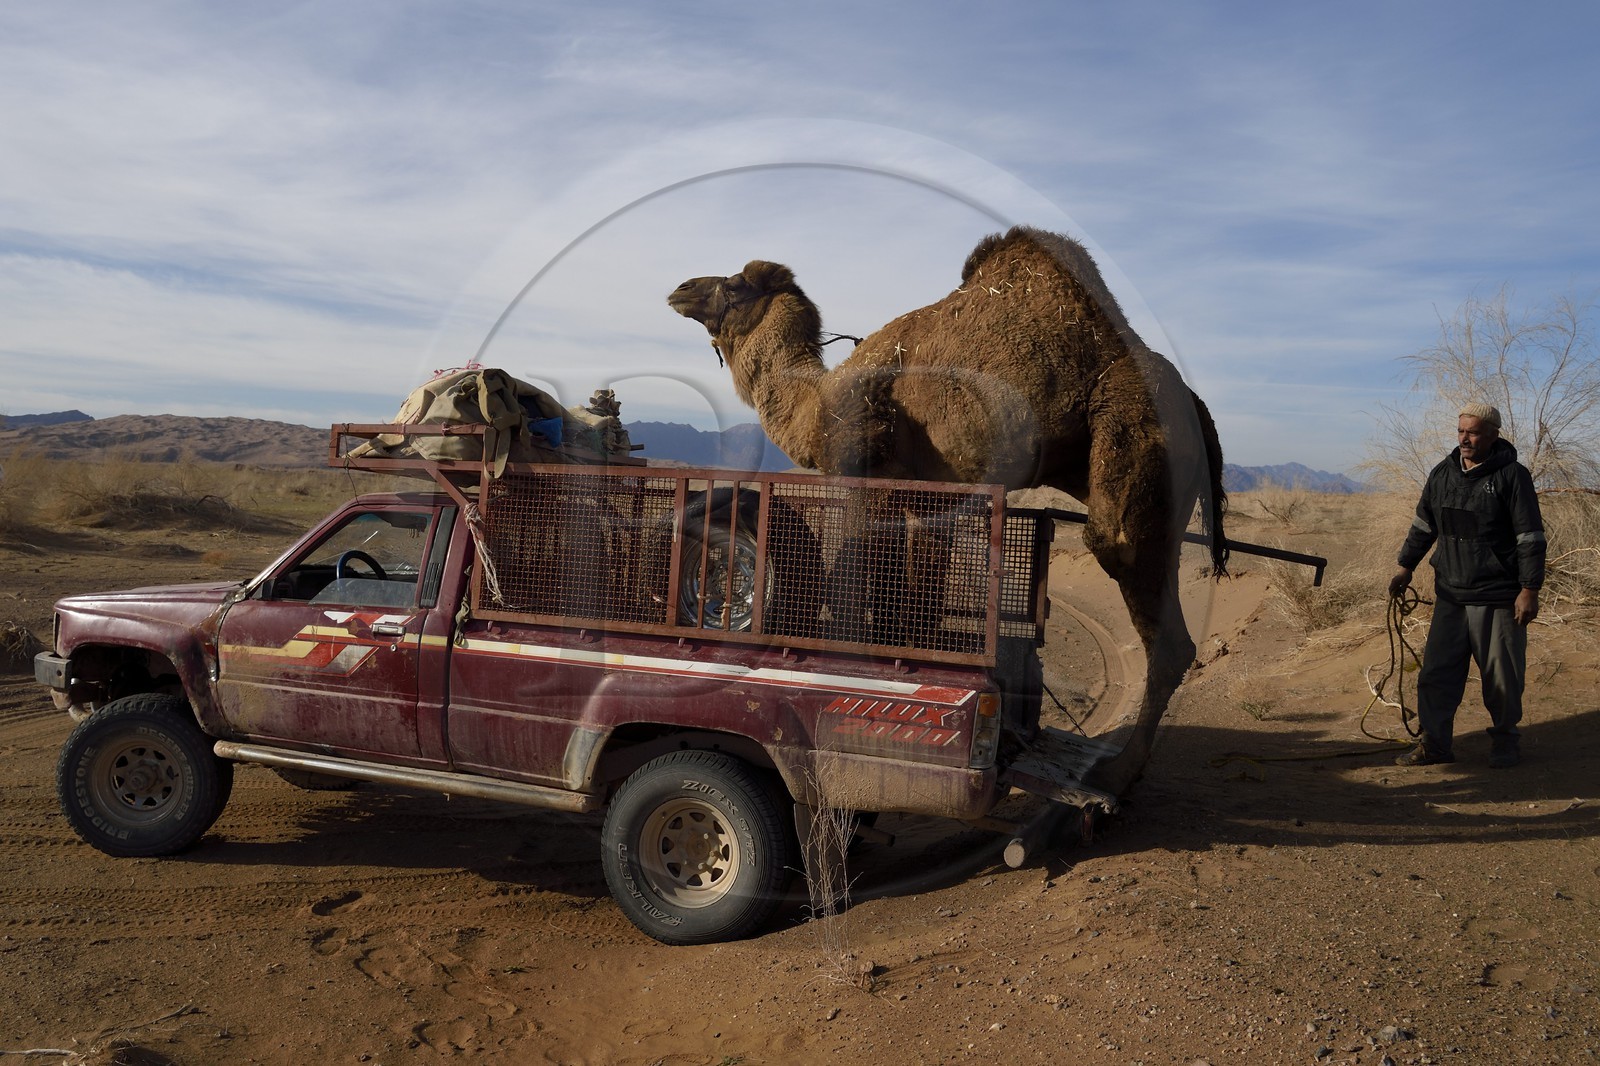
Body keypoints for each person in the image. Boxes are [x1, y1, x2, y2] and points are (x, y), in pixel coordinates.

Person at [1389, 403, 1545, 769]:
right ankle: (1435, 745)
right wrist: (1405, 567)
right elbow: (1423, 526)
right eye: (1461, 431)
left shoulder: (1512, 476)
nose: (1465, 438)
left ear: (1492, 434)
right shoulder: (1442, 474)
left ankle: (1506, 742)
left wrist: (1529, 589)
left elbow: (1530, 538)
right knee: (1436, 676)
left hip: (1497, 597)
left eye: (1473, 432)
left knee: (1501, 678)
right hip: (1451, 596)